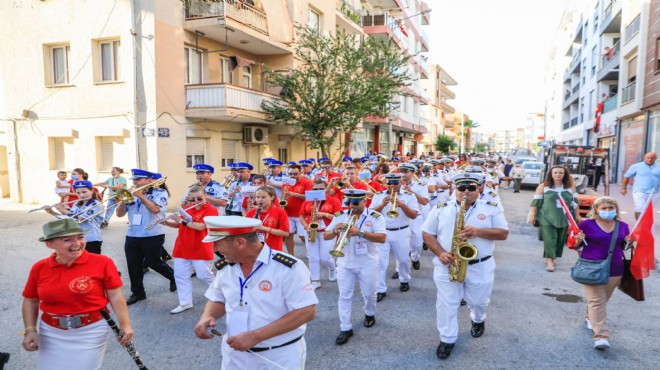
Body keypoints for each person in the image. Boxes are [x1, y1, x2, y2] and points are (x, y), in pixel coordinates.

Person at [194, 216, 318, 369]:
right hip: (235, 355)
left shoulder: (288, 268)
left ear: (240, 243)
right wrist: (207, 316)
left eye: (217, 243)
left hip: (278, 357)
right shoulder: (227, 267)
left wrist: (255, 336)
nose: (214, 249)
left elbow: (306, 311)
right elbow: (218, 297)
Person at [21, 218, 133, 369]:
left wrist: (125, 325)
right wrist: (30, 330)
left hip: (91, 331)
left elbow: (115, 295)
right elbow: (31, 300)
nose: (77, 244)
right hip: (51, 332)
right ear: (50, 244)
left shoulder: (102, 262)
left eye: (80, 237)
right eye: (67, 240)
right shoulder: (39, 268)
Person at [422, 173, 509, 360]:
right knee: (447, 304)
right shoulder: (440, 209)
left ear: (479, 189)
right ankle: (447, 339)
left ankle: (478, 319)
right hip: (448, 263)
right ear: (455, 189)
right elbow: (427, 234)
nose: (466, 192)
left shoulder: (492, 208)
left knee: (479, 302)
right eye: (461, 188)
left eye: (471, 188)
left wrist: (478, 231)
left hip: (480, 264)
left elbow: (503, 233)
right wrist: (440, 253)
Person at [324, 189, 386, 345]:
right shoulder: (340, 216)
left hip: (367, 262)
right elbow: (326, 235)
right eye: (348, 202)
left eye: (355, 202)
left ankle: (369, 313)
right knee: (344, 295)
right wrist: (335, 230)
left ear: (364, 200)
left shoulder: (375, 217)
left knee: (369, 293)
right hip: (345, 263)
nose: (351, 205)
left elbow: (382, 238)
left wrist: (360, 233)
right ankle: (345, 327)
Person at [573, 197, 631, 350]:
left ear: (615, 209)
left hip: (615, 269)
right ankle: (601, 336)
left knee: (601, 300)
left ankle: (589, 317)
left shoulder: (623, 226)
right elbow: (573, 245)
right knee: (598, 301)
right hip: (591, 268)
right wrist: (578, 240)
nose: (607, 211)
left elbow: (623, 246)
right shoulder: (586, 224)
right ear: (596, 209)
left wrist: (629, 242)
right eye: (603, 208)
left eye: (610, 208)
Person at [115, 169, 176, 305]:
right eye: (134, 180)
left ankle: (174, 277)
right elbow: (119, 214)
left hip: (152, 233)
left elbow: (155, 210)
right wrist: (123, 201)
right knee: (133, 265)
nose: (134, 182)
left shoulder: (160, 193)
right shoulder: (131, 193)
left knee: (154, 262)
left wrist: (141, 196)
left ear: (148, 180)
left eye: (138, 179)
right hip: (132, 234)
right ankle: (138, 293)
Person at [162, 186, 218, 314]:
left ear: (205, 196)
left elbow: (201, 227)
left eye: (199, 198)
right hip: (183, 246)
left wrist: (181, 221)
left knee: (204, 275)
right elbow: (179, 225)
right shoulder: (187, 208)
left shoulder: (211, 210)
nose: (196, 202)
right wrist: (166, 223)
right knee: (180, 276)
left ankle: (220, 295)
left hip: (200, 247)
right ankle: (185, 302)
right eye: (192, 199)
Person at [369, 173, 419, 299]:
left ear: (400, 183)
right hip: (382, 232)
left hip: (401, 231)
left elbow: (413, 215)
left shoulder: (409, 196)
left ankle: (404, 279)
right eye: (389, 183)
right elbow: (370, 214)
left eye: (395, 183)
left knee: (403, 260)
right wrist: (382, 205)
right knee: (380, 262)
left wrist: (402, 205)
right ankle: (380, 289)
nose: (391, 186)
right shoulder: (378, 195)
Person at [529, 165, 580, 272]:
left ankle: (553, 256)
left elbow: (575, 203)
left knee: (560, 240)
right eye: (555, 172)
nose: (558, 174)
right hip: (547, 217)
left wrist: (577, 216)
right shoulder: (543, 187)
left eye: (560, 173)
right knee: (550, 239)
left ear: (564, 174)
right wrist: (532, 214)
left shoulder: (570, 187)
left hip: (564, 217)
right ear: (551, 174)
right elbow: (536, 202)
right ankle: (550, 261)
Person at [300, 179, 341, 290]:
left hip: (327, 231)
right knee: (313, 257)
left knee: (325, 258)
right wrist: (306, 226)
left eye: (321, 189)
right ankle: (315, 281)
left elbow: (340, 218)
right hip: (311, 230)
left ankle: (333, 269)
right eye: (315, 189)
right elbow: (302, 216)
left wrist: (325, 214)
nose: (317, 191)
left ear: (326, 189)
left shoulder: (334, 201)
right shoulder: (308, 201)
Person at [44, 180, 105, 254]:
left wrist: (63, 210)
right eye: (78, 193)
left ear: (92, 190)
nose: (81, 195)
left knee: (92, 264)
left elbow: (80, 219)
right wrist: (52, 212)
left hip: (91, 239)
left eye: (84, 192)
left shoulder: (97, 205)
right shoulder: (77, 203)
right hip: (77, 239)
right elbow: (70, 219)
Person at [246, 186, 290, 252]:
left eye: (263, 197)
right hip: (254, 248)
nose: (260, 200)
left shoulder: (280, 212)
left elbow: (285, 233)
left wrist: (264, 228)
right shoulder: (251, 212)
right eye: (257, 197)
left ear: (272, 197)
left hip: (272, 249)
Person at [282, 164, 313, 255]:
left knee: (303, 236)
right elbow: (283, 197)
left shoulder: (306, 183)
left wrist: (295, 194)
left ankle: (311, 253)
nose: (292, 176)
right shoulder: (286, 183)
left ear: (300, 173)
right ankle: (291, 255)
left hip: (301, 215)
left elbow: (310, 197)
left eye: (295, 174)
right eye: (290, 174)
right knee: (288, 235)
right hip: (288, 213)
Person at [621, 152, 660, 219]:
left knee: (648, 210)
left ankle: (646, 225)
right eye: (648, 158)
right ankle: (638, 225)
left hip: (654, 192)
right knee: (639, 208)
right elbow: (626, 176)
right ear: (644, 157)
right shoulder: (636, 166)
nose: (650, 160)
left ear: (655, 158)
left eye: (652, 158)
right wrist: (624, 188)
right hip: (639, 191)